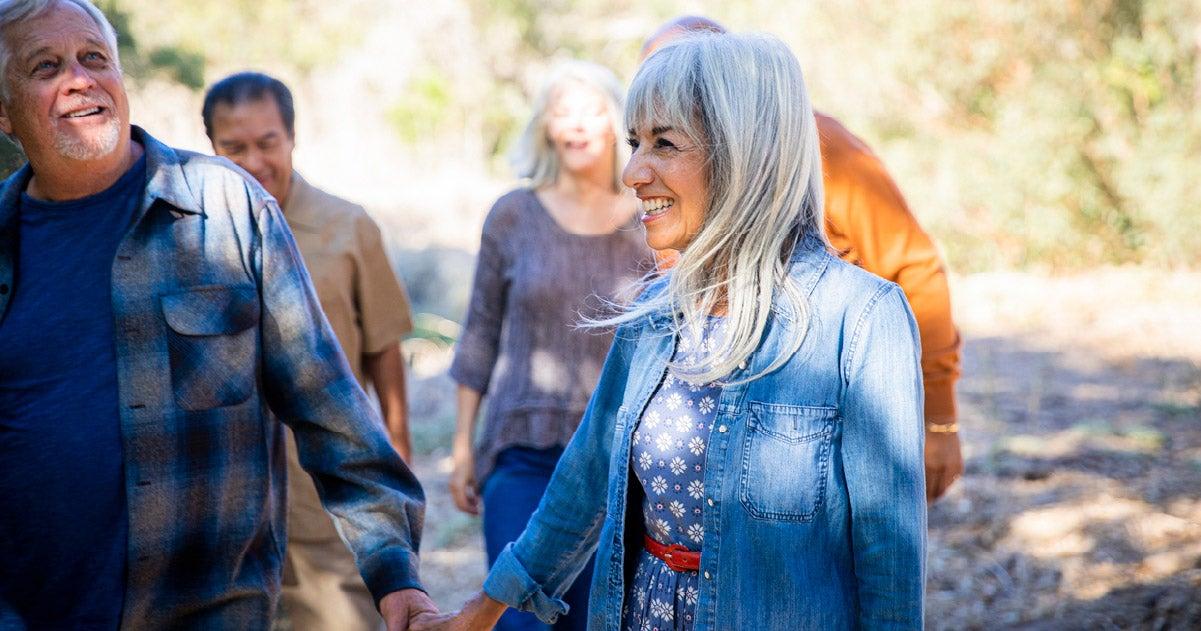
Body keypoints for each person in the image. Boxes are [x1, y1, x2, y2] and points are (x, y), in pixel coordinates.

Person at [416, 32, 925, 631]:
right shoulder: (658, 312)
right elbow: (581, 482)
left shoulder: (862, 319)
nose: (633, 171)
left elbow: (890, 568)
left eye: (664, 143)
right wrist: (480, 613)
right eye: (635, 142)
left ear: (745, 153)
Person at [0, 1, 432, 628]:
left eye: (95, 58)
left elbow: (329, 410)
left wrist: (397, 576)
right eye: (46, 65)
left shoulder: (227, 209)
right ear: (6, 112)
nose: (80, 78)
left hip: (207, 612)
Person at [644, 16, 964, 502]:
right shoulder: (662, 178)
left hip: (830, 425)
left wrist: (939, 420)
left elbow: (913, 266)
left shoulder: (822, 146)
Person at [203, 71, 417, 631]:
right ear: (212, 148)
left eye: (266, 142)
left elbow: (383, 349)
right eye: (234, 147)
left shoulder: (347, 227)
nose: (253, 160)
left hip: (325, 498)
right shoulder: (189, 236)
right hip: (230, 506)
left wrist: (398, 446)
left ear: (292, 137)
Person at [446, 60, 653, 631]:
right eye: (563, 112)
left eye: (591, 112)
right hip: (521, 448)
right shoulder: (513, 215)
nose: (577, 125)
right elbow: (480, 332)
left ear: (616, 125)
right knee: (517, 618)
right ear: (544, 127)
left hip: (618, 460)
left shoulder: (649, 220)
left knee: (595, 619)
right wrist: (464, 447)